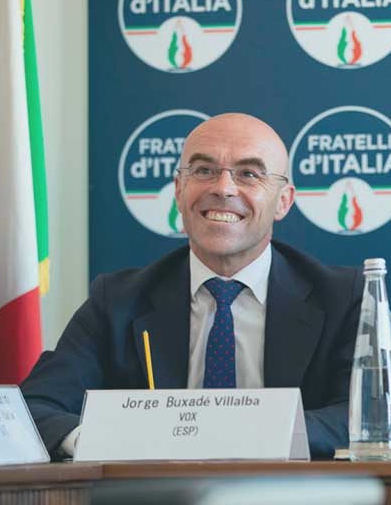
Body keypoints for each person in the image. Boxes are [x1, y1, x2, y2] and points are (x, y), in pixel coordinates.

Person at [20, 113, 362, 458]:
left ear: (284, 201)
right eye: (204, 171)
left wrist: (246, 433)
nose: (223, 188)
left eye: (249, 174)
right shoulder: (118, 300)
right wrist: (101, 441)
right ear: (179, 190)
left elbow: (362, 415)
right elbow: (37, 406)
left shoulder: (343, 297)